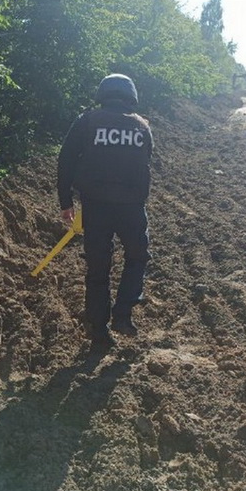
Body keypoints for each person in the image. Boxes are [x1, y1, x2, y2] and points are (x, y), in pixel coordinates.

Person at [57, 74, 153, 349]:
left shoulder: (86, 121)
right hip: (132, 208)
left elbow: (65, 160)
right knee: (137, 256)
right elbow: (147, 162)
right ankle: (123, 312)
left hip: (95, 206)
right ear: (131, 96)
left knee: (98, 268)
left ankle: (99, 331)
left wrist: (66, 201)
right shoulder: (142, 127)